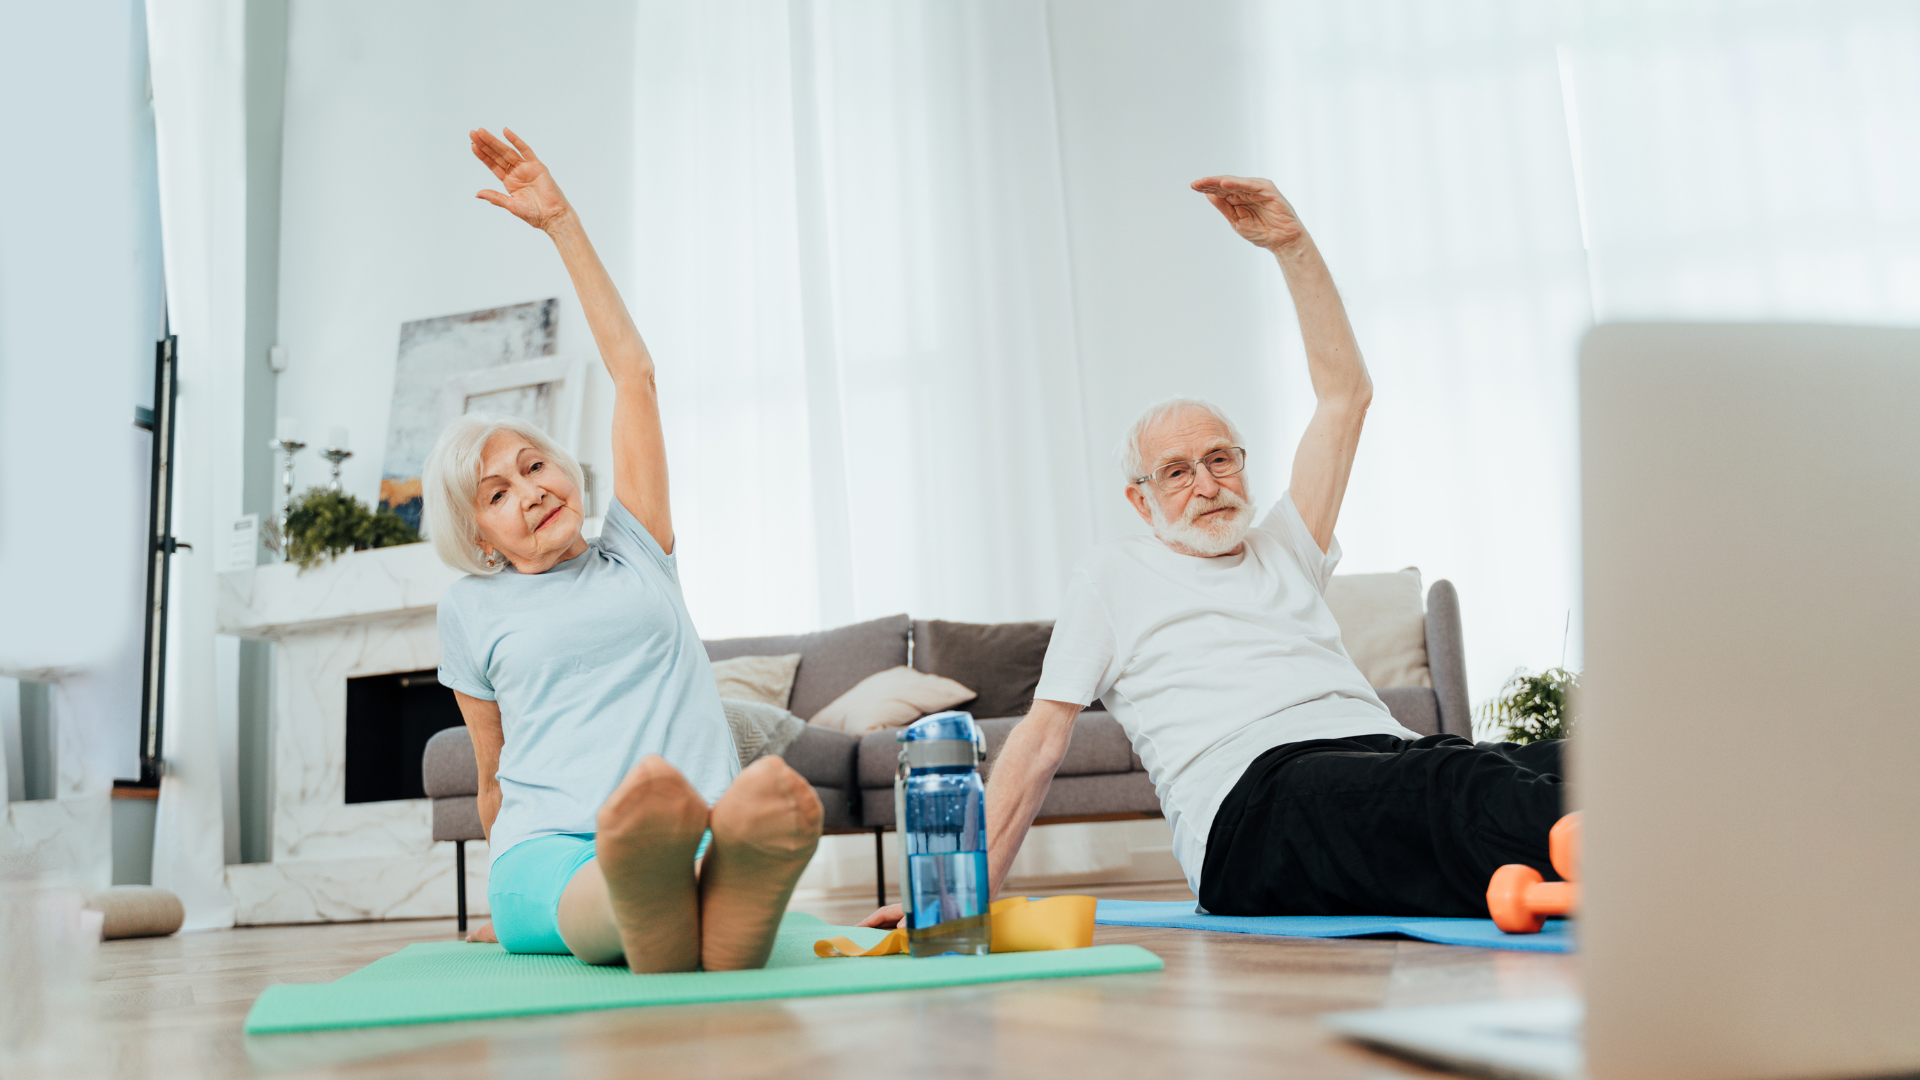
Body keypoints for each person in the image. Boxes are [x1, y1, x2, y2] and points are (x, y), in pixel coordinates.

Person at [864, 175, 1564, 927]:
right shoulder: (1114, 574)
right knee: (1456, 794)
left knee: (1556, 762)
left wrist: (1292, 247)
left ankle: (1655, 833)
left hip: (1391, 757)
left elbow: (1344, 398)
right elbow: (1038, 743)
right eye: (1176, 471)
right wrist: (948, 906)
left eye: (1221, 459)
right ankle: (1642, 850)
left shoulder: (1284, 546)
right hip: (1256, 806)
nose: (1206, 483)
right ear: (1141, 499)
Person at [426, 128, 822, 973]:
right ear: (479, 536)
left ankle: (693, 895)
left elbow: (633, 373)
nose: (530, 489)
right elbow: (493, 775)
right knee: (614, 886)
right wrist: (512, 902)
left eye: (535, 465)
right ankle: (672, 905)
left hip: (692, 824)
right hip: (551, 851)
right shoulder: (470, 608)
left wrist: (562, 222)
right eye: (497, 492)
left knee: (680, 864)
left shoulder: (634, 550)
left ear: (567, 470)